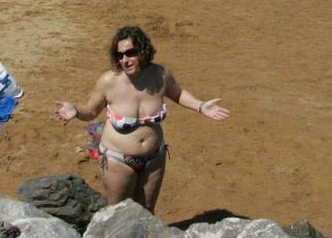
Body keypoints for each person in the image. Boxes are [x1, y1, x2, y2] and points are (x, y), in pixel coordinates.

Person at [53, 26, 229, 212]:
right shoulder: (109, 81)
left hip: (154, 159)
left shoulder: (160, 75)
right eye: (120, 55)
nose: (125, 60)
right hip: (117, 160)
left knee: (147, 210)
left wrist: (201, 106)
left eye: (130, 53)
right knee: (118, 213)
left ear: (143, 51)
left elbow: (178, 93)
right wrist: (75, 110)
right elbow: (90, 111)